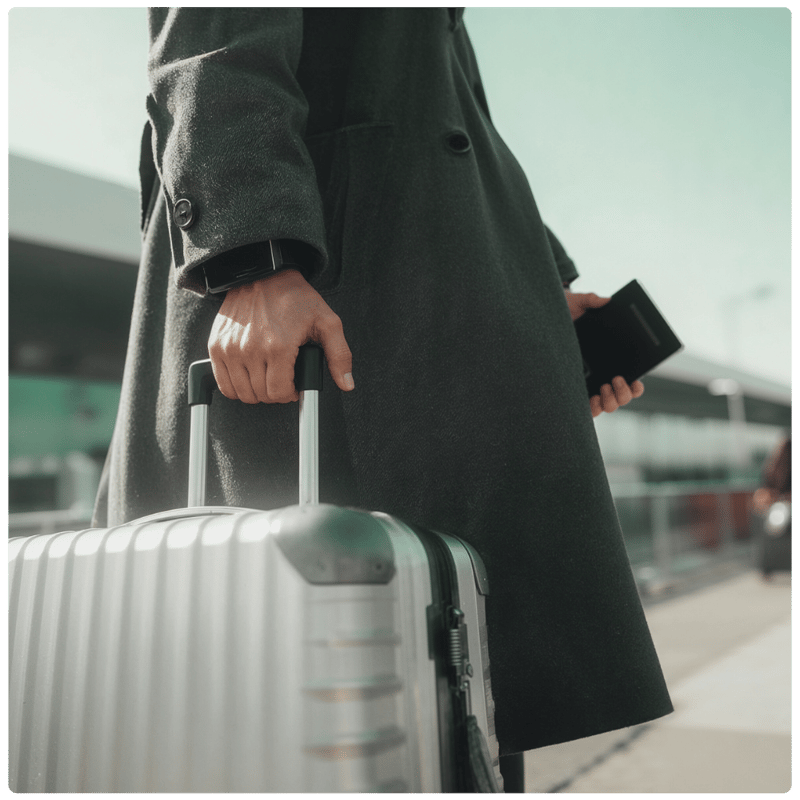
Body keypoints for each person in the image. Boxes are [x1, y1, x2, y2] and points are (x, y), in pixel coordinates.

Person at [94, 8, 672, 792]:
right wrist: (254, 252)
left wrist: (537, 286)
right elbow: (213, 33)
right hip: (328, 299)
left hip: (422, 308)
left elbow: (443, 110)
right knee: (295, 709)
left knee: (455, 708)